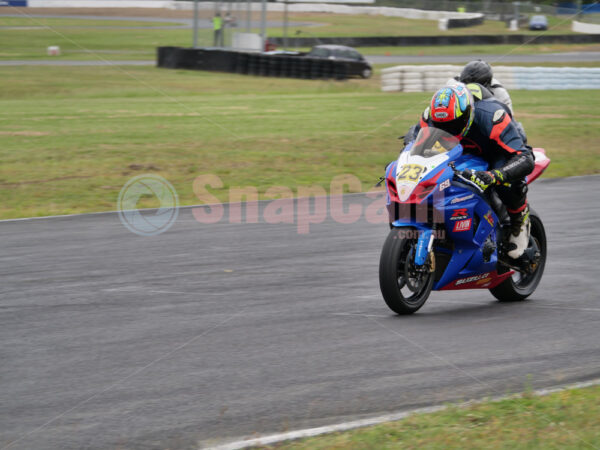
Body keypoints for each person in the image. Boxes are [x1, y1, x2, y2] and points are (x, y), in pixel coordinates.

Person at [408, 83, 534, 259]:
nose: (448, 130)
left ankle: (519, 220)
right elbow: (411, 146)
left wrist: (494, 175)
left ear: (467, 114)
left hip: (496, 151)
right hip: (458, 152)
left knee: (505, 181)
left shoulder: (492, 116)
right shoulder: (429, 117)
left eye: (454, 124)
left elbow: (525, 158)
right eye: (441, 125)